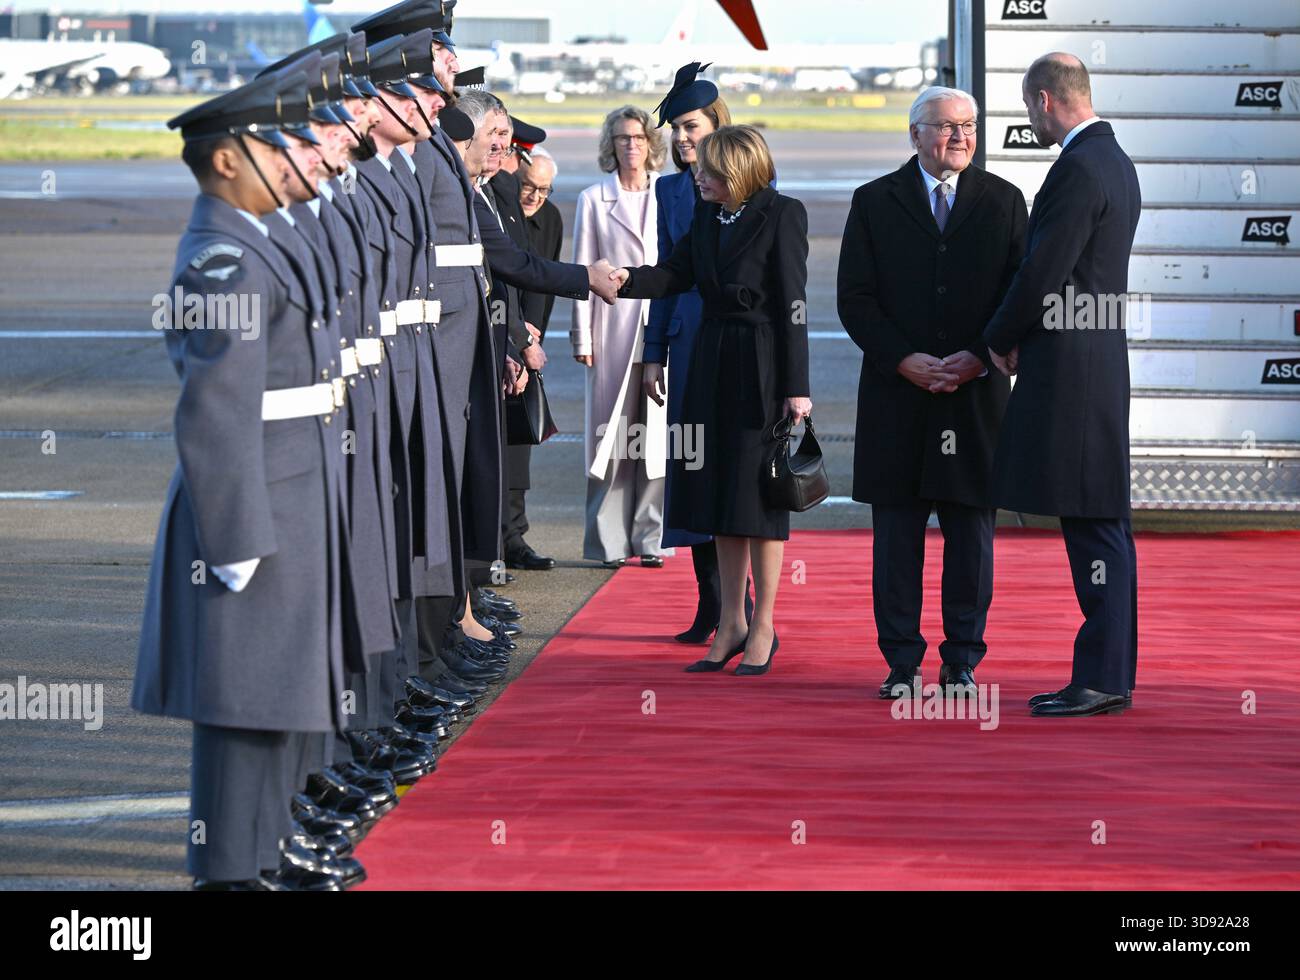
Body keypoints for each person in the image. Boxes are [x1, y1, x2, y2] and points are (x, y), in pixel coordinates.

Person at [134, 71, 353, 890]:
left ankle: (261, 857)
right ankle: (228, 870)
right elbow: (214, 410)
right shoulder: (220, 258)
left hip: (291, 486)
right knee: (240, 702)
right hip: (252, 503)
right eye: (271, 146)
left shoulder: (254, 239)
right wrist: (233, 540)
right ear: (226, 161)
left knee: (274, 694)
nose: (289, 159)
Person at [837, 86, 1027, 700]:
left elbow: (1018, 293)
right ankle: (901, 662)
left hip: (974, 396)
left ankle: (963, 659)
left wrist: (980, 355)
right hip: (899, 395)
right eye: (946, 127)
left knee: (971, 535)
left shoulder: (1003, 202)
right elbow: (855, 298)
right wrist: (901, 359)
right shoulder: (874, 202)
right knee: (897, 537)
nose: (960, 138)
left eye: (968, 126)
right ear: (914, 133)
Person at [613, 125, 810, 675]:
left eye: (708, 168)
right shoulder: (706, 215)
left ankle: (764, 623)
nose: (696, 174)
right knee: (719, 494)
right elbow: (676, 273)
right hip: (712, 359)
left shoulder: (783, 213)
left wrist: (798, 387)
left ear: (738, 169)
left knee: (759, 498)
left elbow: (794, 303)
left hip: (762, 365)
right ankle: (731, 622)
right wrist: (624, 279)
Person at [982, 53, 1141, 717]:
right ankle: (1107, 671)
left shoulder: (1077, 167)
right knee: (1101, 519)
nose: (1030, 120)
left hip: (1071, 366)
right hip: (1095, 358)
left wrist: (996, 335)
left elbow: (1043, 271)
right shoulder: (1116, 161)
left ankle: (1102, 676)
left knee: (1094, 522)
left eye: (1028, 108)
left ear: (1045, 100)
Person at [642, 62, 747, 641]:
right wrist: (654, 348)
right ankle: (710, 604)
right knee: (692, 468)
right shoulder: (669, 189)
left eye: (691, 127)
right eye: (676, 130)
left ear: (717, 126)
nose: (682, 139)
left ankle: (743, 608)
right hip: (684, 347)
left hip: (733, 344)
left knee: (733, 471)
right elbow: (666, 274)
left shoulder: (753, 180)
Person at [572, 105, 670, 568]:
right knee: (610, 438)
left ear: (651, 144)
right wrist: (582, 338)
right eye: (621, 138)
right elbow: (581, 270)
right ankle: (608, 541)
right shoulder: (593, 199)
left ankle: (651, 536)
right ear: (610, 146)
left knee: (658, 440)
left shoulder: (669, 194)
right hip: (611, 328)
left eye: (638, 137)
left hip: (660, 324)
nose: (631, 145)